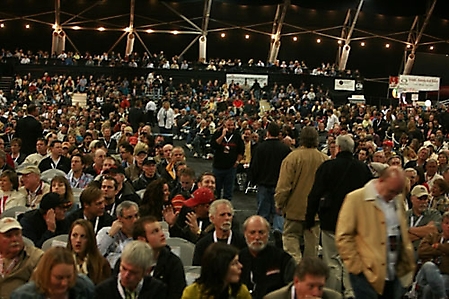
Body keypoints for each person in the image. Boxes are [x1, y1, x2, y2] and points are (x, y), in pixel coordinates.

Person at [304, 134, 372, 298]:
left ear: (338, 148)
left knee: (332, 261)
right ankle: (350, 293)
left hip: (330, 221)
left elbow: (314, 194)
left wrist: (309, 219)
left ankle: (332, 294)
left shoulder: (327, 167)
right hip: (356, 223)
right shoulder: (362, 169)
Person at [336, 166, 415, 298]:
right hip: (366, 273)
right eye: (391, 191)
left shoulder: (397, 200)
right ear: (381, 181)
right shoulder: (356, 199)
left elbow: (401, 232)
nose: (394, 195)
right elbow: (343, 235)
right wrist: (358, 267)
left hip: (393, 272)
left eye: (397, 192)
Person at [275, 126, 328, 263]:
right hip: (315, 212)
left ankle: (295, 270)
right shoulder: (325, 159)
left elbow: (284, 186)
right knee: (312, 249)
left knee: (290, 241)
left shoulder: (292, 158)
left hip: (294, 210)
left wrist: (279, 203)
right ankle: (309, 275)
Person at [250, 122, 291, 240]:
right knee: (279, 211)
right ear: (279, 134)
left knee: (263, 211)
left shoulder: (260, 148)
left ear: (267, 132)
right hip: (279, 185)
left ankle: (261, 233)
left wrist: (253, 180)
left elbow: (255, 166)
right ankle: (278, 230)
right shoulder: (285, 149)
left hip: (263, 183)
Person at [239, 215, 296, 299]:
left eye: (261, 232)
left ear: (268, 234)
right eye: (252, 233)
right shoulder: (238, 259)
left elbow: (292, 289)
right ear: (245, 234)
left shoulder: (283, 259)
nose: (257, 237)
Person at [132, 216, 186, 299]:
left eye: (160, 229)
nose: (162, 234)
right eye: (155, 231)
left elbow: (176, 295)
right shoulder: (127, 262)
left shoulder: (173, 263)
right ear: (142, 239)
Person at [10, 247, 95, 299]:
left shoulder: (85, 288)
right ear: (45, 274)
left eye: (69, 277)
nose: (64, 283)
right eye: (59, 278)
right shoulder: (23, 296)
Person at [95, 240, 167, 298]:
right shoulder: (103, 291)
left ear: (146, 271)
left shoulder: (157, 290)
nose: (126, 275)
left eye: (133, 272)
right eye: (124, 268)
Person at [182, 242, 251, 299]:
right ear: (221, 266)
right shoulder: (192, 293)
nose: (240, 266)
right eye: (234, 263)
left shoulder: (241, 291)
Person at [192, 199, 246, 266]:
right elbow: (197, 271)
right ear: (212, 218)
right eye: (222, 215)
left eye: (229, 215)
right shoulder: (203, 244)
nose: (227, 218)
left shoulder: (242, 241)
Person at [0, 217, 43, 298]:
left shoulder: (36, 257)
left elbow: (35, 292)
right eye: (8, 236)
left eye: (17, 234)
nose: (14, 239)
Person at [264, 257, 342, 299]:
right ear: (296, 281)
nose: (316, 293)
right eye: (311, 286)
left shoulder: (335, 297)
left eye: (320, 287)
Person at [413, 211, 449, 299]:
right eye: (447, 223)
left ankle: (414, 292)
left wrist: (439, 246)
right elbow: (421, 251)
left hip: (446, 274)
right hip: (427, 274)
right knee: (428, 266)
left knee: (428, 289)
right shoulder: (433, 236)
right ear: (442, 224)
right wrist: (441, 250)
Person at [97, 201, 139, 269]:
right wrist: (110, 235)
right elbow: (96, 255)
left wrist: (110, 256)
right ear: (119, 219)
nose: (135, 220)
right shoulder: (105, 232)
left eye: (136, 216)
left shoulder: (142, 235)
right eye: (129, 217)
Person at [67, 219, 111, 285]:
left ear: (90, 239)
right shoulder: (63, 261)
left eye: (83, 236)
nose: (78, 240)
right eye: (74, 235)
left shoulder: (102, 264)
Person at [210, 118, 244, 201]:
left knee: (228, 192)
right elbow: (213, 146)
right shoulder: (218, 133)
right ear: (224, 125)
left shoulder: (237, 135)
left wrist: (237, 162)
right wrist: (222, 136)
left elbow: (241, 151)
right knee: (216, 190)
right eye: (228, 125)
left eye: (232, 125)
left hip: (230, 168)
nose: (230, 127)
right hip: (218, 166)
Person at [406, 184, 441, 251]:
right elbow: (402, 237)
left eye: (425, 199)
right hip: (406, 254)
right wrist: (424, 231)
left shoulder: (434, 214)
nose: (423, 202)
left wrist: (408, 229)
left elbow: (433, 231)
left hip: (424, 256)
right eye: (420, 198)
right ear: (412, 199)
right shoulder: (405, 215)